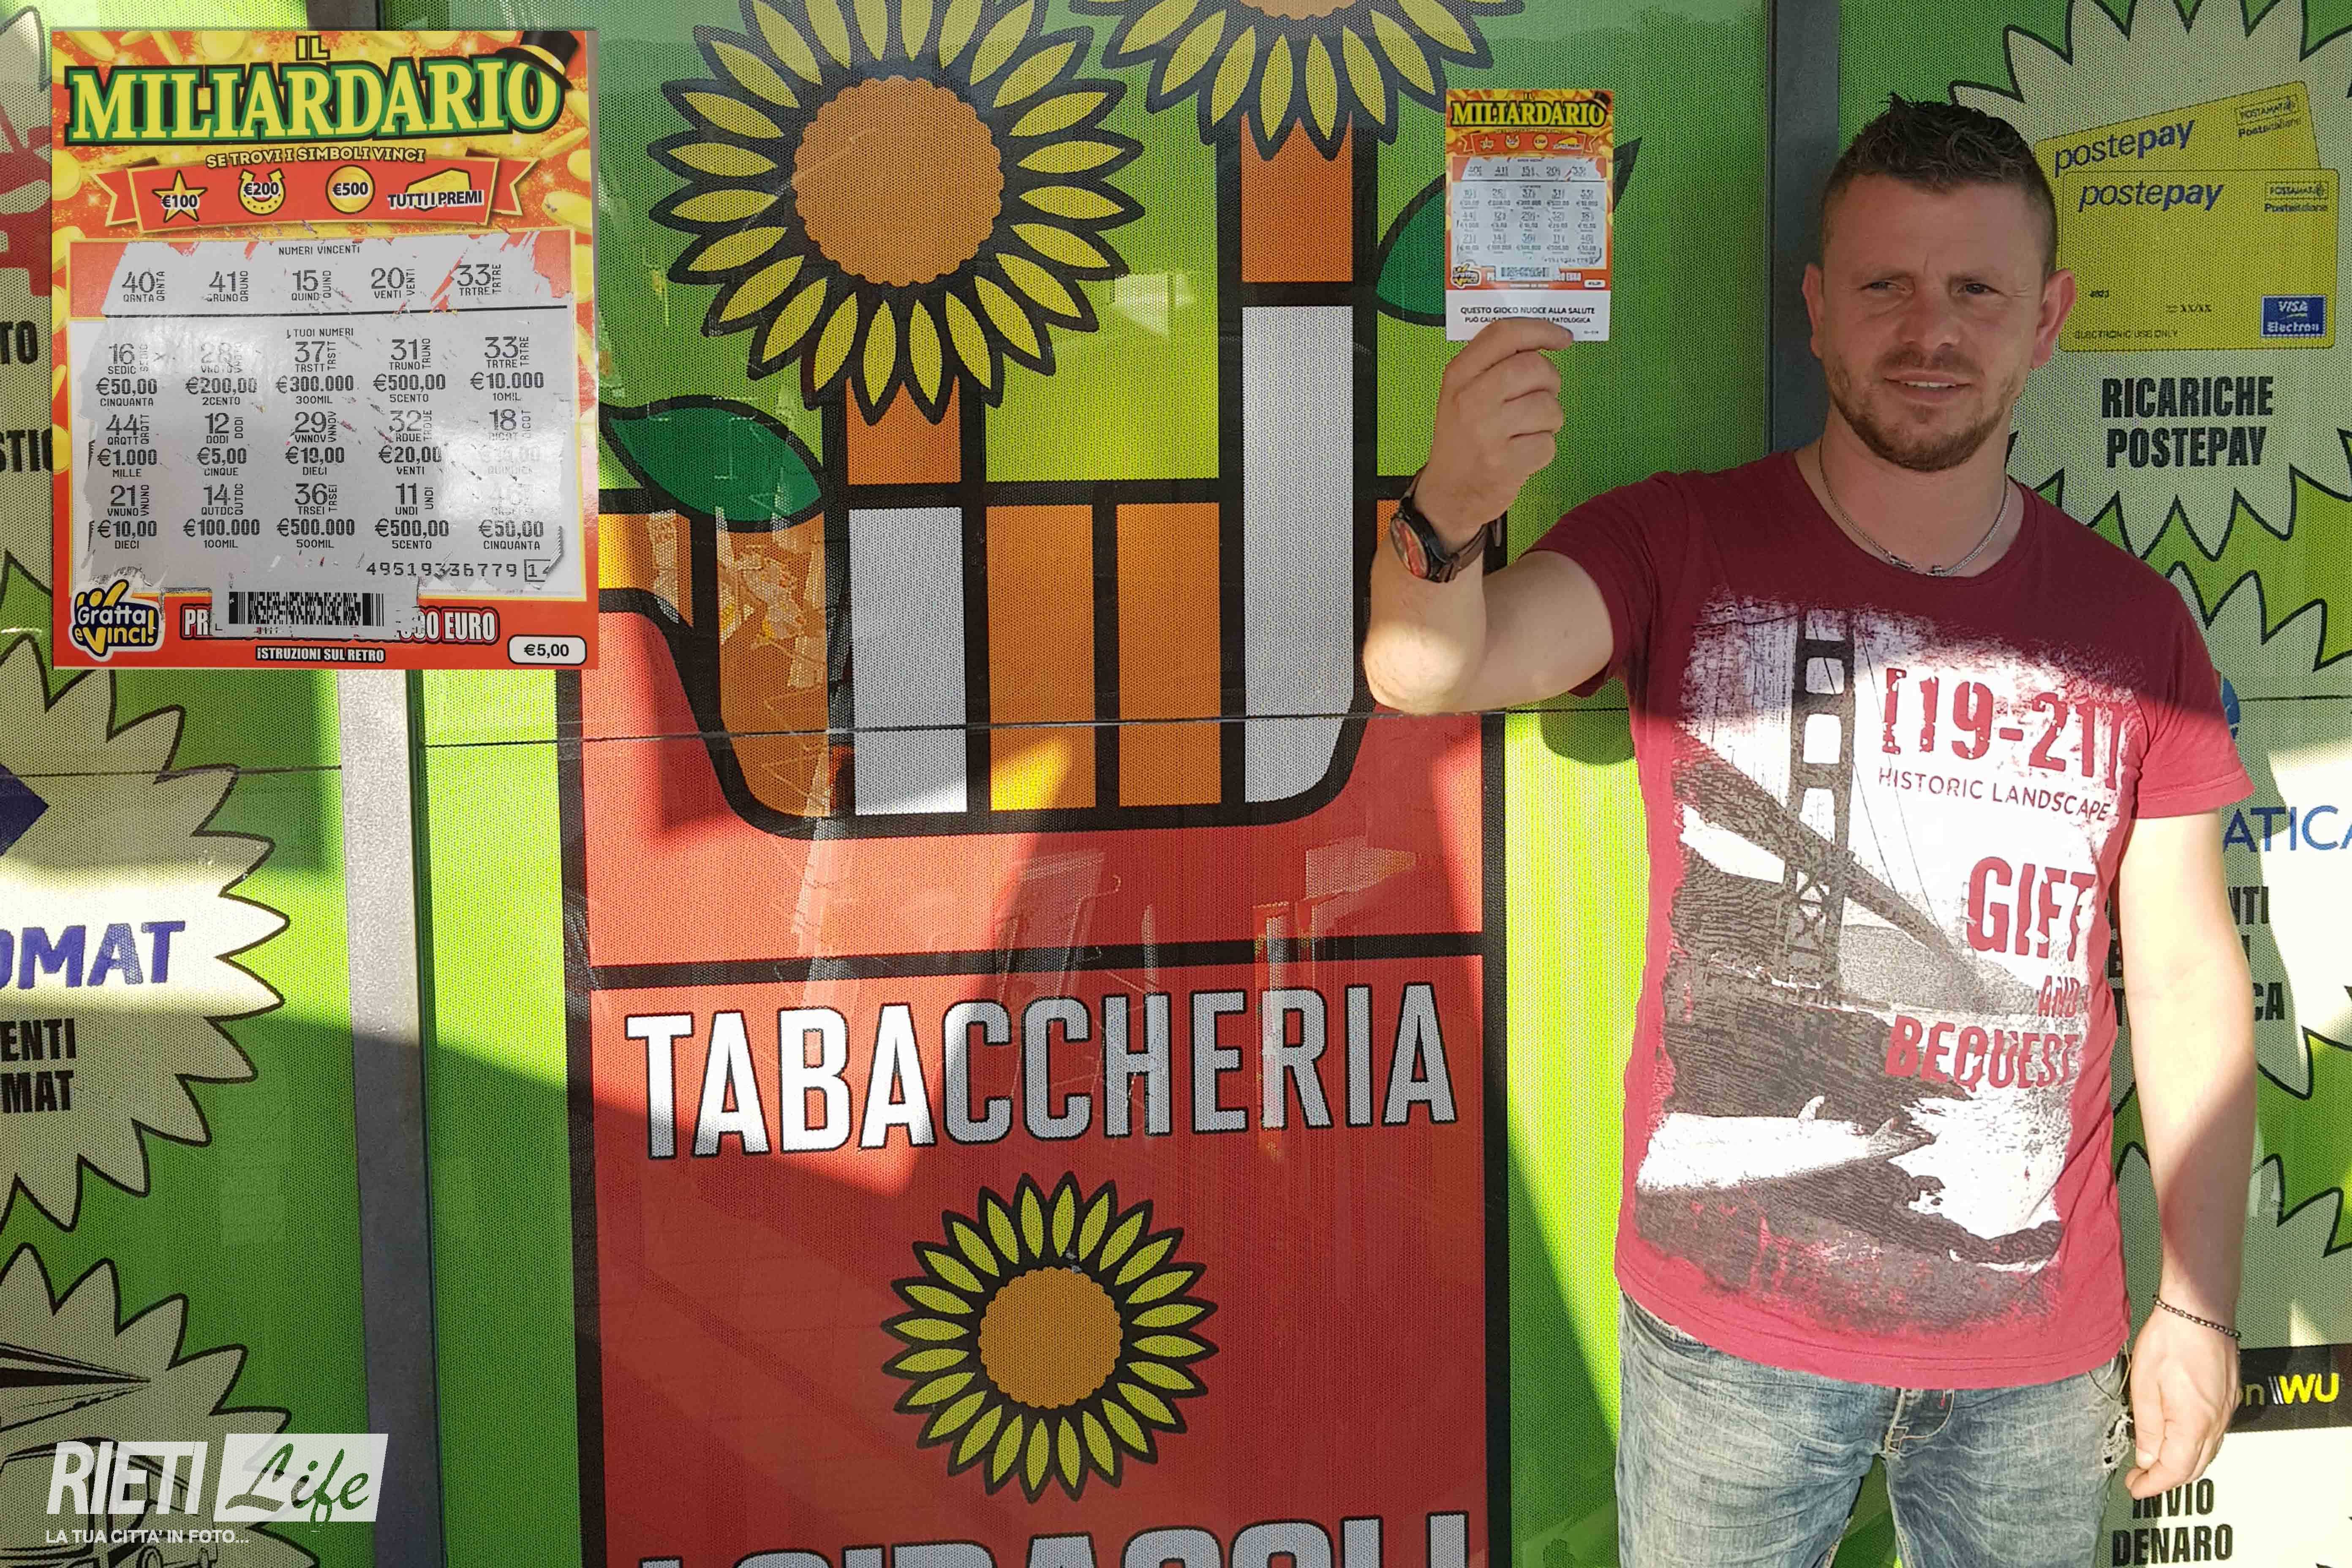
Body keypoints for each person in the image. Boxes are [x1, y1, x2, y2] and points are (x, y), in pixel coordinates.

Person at [1365, 98, 2254, 1567]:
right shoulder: (1678, 543)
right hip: (1733, 1342)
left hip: (2039, 1361)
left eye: (1976, 290)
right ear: (1817, 309)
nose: (1931, 330)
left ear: (2047, 319)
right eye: (1885, 284)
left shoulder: (2134, 625)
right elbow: (1427, 670)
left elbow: (2181, 977)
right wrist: (1449, 503)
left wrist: (2200, 1306)